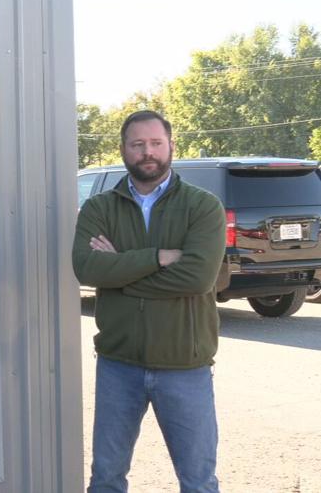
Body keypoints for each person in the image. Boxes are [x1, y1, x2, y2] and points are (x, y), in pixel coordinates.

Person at [72, 110, 226, 492]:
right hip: (118, 365)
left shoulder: (202, 206)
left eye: (156, 143)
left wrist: (120, 274)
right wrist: (158, 257)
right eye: (137, 144)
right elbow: (88, 269)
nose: (147, 152)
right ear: (124, 150)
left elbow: (198, 277)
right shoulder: (98, 208)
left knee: (198, 482)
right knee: (106, 478)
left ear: (171, 145)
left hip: (184, 365)